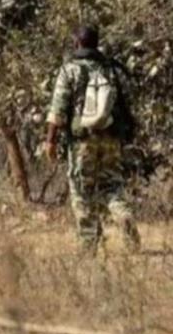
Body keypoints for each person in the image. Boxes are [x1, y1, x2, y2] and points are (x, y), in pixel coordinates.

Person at [45, 26, 140, 256]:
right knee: (112, 184)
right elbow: (128, 101)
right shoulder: (112, 69)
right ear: (96, 43)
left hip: (82, 142)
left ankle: (88, 244)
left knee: (81, 190)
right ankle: (123, 214)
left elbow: (58, 110)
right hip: (110, 139)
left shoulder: (69, 70)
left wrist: (50, 141)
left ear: (77, 43)